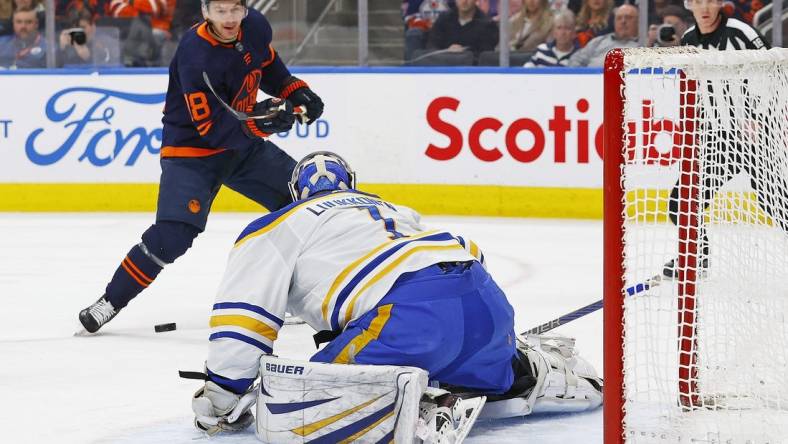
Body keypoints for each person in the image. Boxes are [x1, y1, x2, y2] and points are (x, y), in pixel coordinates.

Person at [187, 151, 603, 442]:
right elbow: (468, 250)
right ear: (352, 186)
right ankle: (526, 368)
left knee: (295, 402)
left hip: (410, 318)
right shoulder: (393, 210)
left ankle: (424, 403)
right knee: (471, 360)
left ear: (298, 193)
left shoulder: (276, 225)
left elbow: (243, 321)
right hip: (486, 305)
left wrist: (222, 395)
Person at [77, 0, 325, 333]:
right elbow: (213, 130)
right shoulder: (196, 56)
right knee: (172, 236)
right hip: (192, 152)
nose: (229, 19)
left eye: (235, 10)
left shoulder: (255, 27)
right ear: (205, 13)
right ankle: (110, 301)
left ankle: (297, 294)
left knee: (303, 202)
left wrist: (295, 90)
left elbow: (266, 64)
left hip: (242, 147)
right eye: (220, 11)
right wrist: (265, 121)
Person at [663, 0, 781, 277]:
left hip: (755, 138)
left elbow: (775, 71)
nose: (704, 8)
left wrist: (759, 116)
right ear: (689, 5)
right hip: (719, 140)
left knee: (776, 203)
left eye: (710, 1)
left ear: (720, 4)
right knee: (682, 201)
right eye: (697, 2)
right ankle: (697, 255)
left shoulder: (741, 32)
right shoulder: (689, 39)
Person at [567, 3, 638, 68]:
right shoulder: (598, 41)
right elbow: (575, 60)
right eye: (619, 18)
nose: (623, 21)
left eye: (628, 17)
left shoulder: (643, 44)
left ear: (638, 21)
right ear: (614, 22)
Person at [427, 0, 499, 56]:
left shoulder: (488, 25)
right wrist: (446, 53)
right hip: (442, 68)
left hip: (470, 72)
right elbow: (432, 46)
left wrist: (463, 55)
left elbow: (485, 56)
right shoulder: (444, 19)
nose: (464, 1)